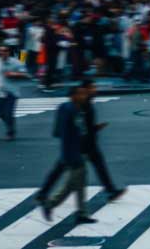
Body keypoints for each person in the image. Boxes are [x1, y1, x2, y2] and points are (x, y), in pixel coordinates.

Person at [40, 85, 94, 225]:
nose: (84, 96)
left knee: (80, 183)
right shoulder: (73, 110)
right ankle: (50, 204)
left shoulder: (64, 107)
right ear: (73, 96)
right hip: (74, 153)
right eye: (81, 94)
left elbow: (57, 131)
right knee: (71, 184)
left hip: (72, 152)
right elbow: (71, 132)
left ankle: (82, 212)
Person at [0, 46, 26, 140]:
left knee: (8, 113)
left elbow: (25, 74)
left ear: (9, 52)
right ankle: (11, 124)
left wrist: (14, 74)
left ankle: (10, 132)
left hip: (11, 91)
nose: (2, 53)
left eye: (4, 51)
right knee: (0, 114)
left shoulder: (16, 62)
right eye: (0, 51)